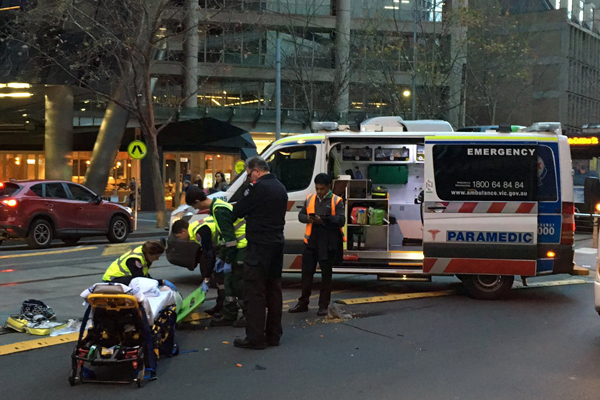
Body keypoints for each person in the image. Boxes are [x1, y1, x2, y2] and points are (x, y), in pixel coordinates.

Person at [231, 156, 288, 350]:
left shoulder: (257, 188)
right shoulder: (280, 187)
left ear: (256, 171)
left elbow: (238, 210)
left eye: (248, 175)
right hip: (277, 244)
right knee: (274, 290)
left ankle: (255, 337)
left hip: (258, 246)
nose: (248, 179)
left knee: (254, 291)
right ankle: (274, 335)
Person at [185, 187, 246, 327]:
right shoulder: (217, 207)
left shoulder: (219, 210)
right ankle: (229, 315)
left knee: (237, 283)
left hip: (240, 248)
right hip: (236, 248)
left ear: (197, 202)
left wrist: (228, 259)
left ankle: (248, 315)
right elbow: (224, 238)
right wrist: (222, 257)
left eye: (194, 206)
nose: (196, 209)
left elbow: (230, 238)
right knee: (230, 284)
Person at [289, 173, 345, 316]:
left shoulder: (336, 201)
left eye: (322, 189)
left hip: (327, 244)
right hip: (311, 242)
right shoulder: (310, 198)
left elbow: (341, 220)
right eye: (317, 188)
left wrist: (324, 220)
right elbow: (300, 215)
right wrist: (309, 219)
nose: (319, 191)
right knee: (306, 274)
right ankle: (303, 303)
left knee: (326, 276)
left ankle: (323, 305)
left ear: (328, 187)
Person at [171, 218, 225, 315]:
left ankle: (226, 308)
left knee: (228, 281)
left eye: (179, 236)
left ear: (184, 231)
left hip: (234, 244)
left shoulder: (199, 232)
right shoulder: (195, 229)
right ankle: (221, 306)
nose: (180, 239)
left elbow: (209, 254)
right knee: (221, 281)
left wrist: (207, 278)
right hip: (225, 245)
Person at [102, 241, 173, 289]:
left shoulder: (144, 255)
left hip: (119, 280)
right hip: (111, 281)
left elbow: (144, 275)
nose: (157, 259)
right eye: (156, 257)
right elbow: (140, 279)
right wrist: (160, 282)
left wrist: (157, 282)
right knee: (136, 282)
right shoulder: (134, 259)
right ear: (149, 254)